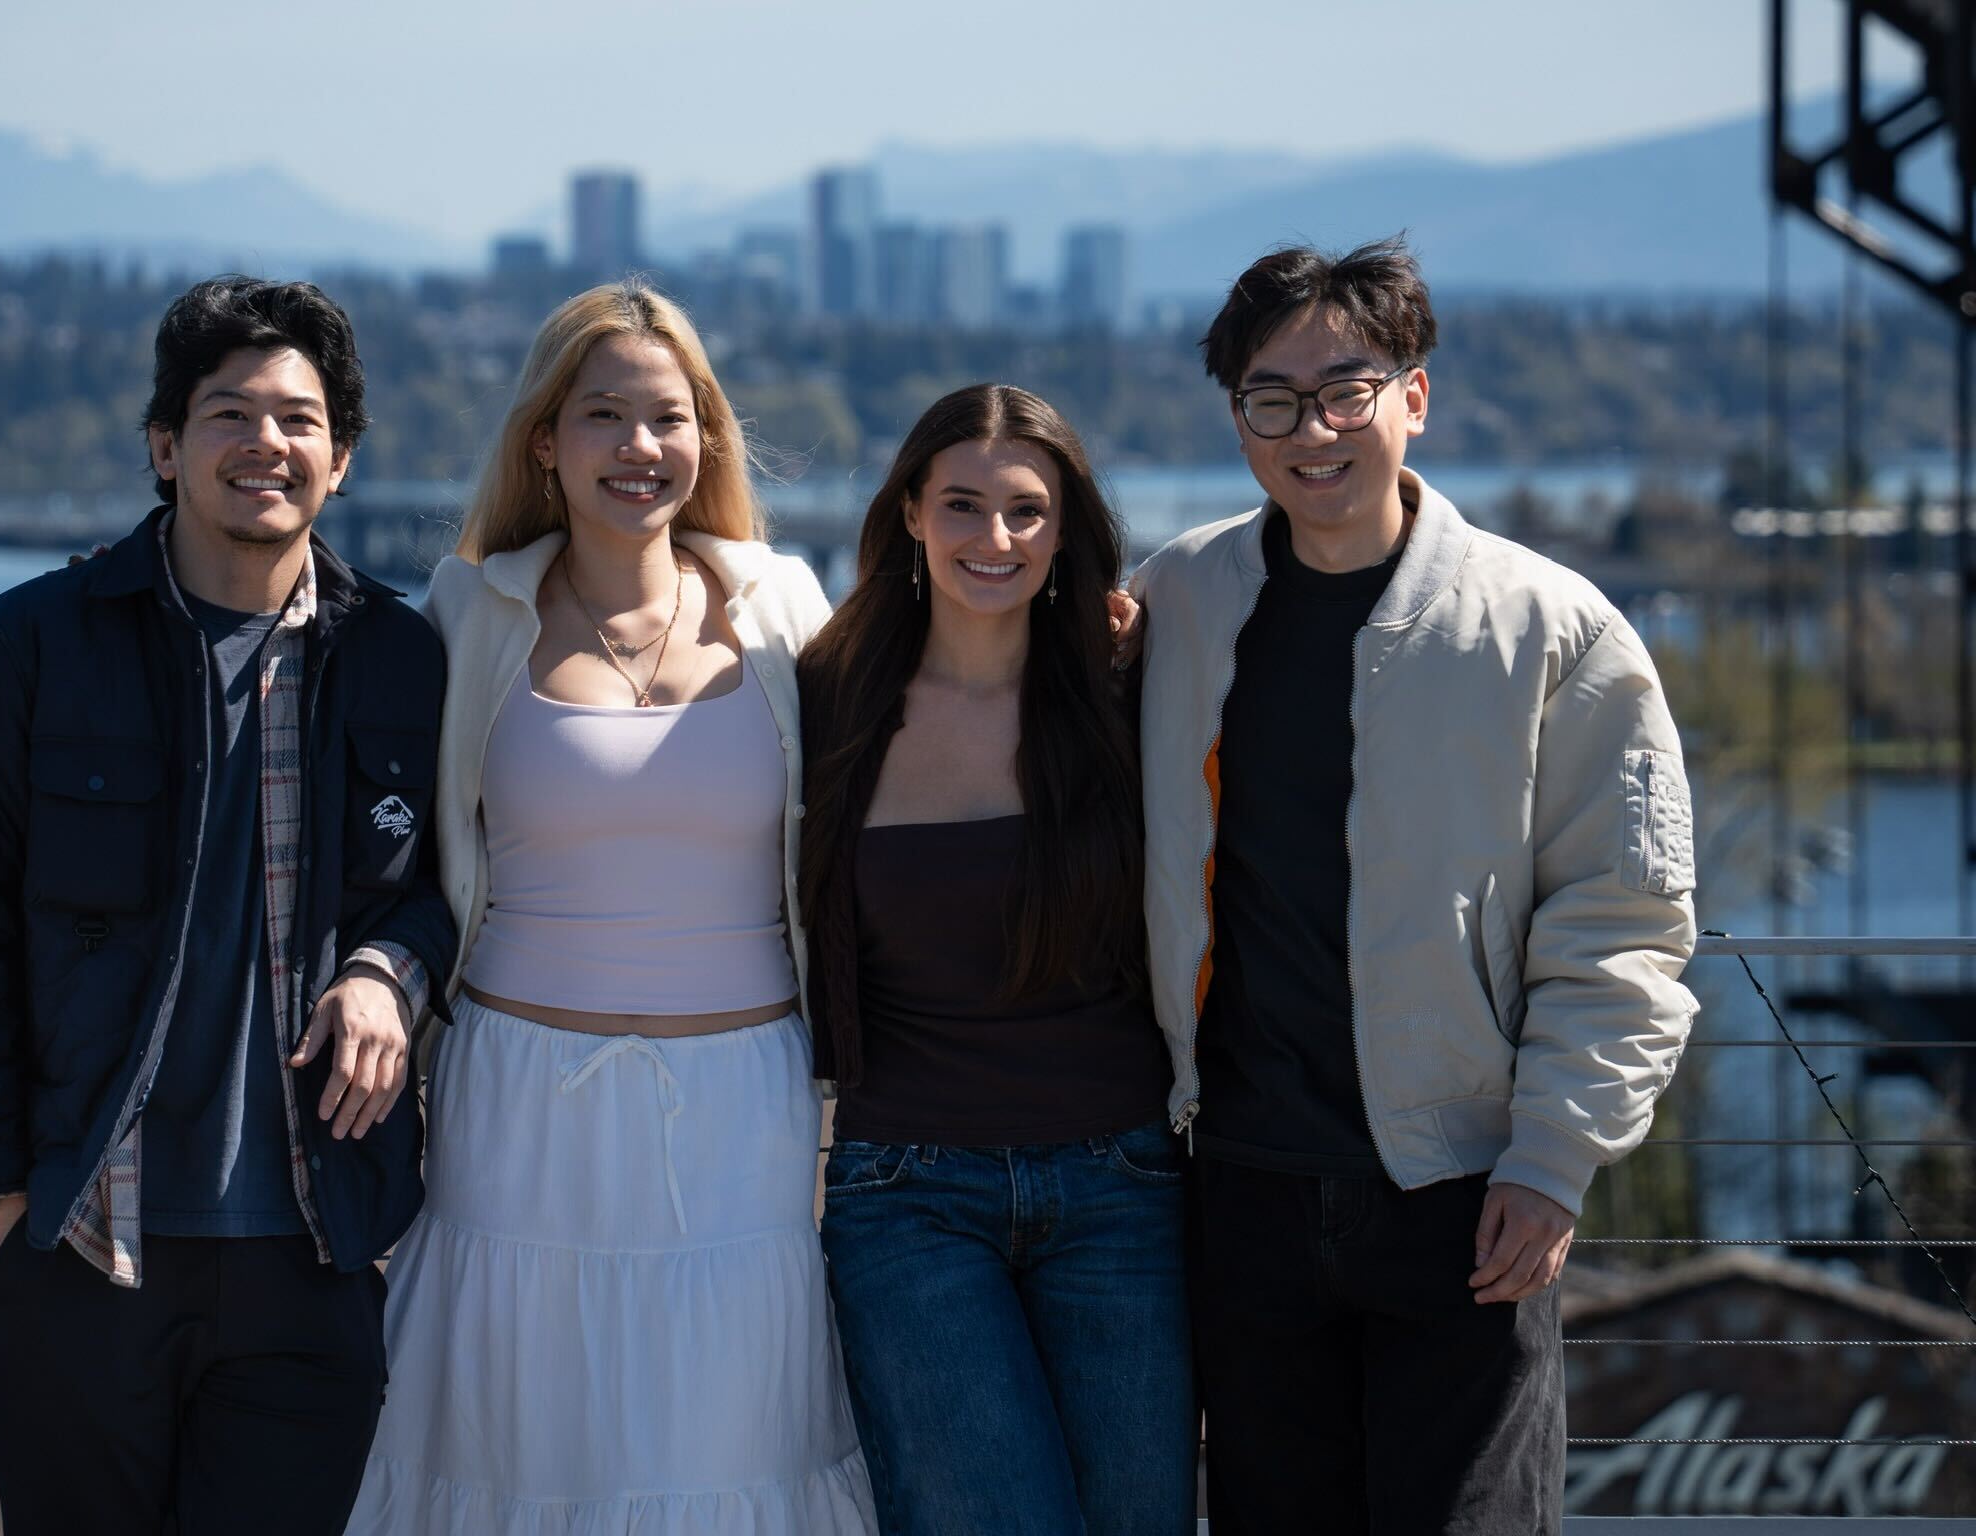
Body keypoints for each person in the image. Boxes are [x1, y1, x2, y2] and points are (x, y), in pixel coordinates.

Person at [1131, 236, 1699, 1534]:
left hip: (1466, 1200)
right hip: (1242, 1190)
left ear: (1415, 395)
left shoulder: (1552, 628)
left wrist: (1555, 1157)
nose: (1312, 429)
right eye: (1271, 398)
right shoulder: (1176, 604)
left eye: (1347, 388)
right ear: (1235, 415)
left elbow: (1627, 917)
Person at [0, 276, 456, 1535]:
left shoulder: (404, 661)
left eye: (302, 420)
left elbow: (450, 889)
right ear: (164, 444)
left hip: (315, 1247)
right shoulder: (30, 646)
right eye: (229, 413)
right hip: (85, 1242)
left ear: (344, 456)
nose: (269, 443)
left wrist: (389, 972)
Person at [344, 282, 875, 1534]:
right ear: (546, 439)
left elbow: (934, 726)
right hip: (514, 1104)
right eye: (605, 417)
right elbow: (395, 843)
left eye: (670, 418)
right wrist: (377, 970)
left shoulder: (783, 606)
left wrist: (1103, 638)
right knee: (521, 1447)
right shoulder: (470, 614)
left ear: (708, 438)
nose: (641, 448)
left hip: (742, 1109)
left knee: (725, 1442)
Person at [796, 383, 1195, 1534]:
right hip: (905, 1196)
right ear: (911, 510)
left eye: (1029, 511)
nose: (997, 538)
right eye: (964, 505)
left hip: (1123, 1186)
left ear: (1066, 531)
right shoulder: (829, 698)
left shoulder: (1129, 688)